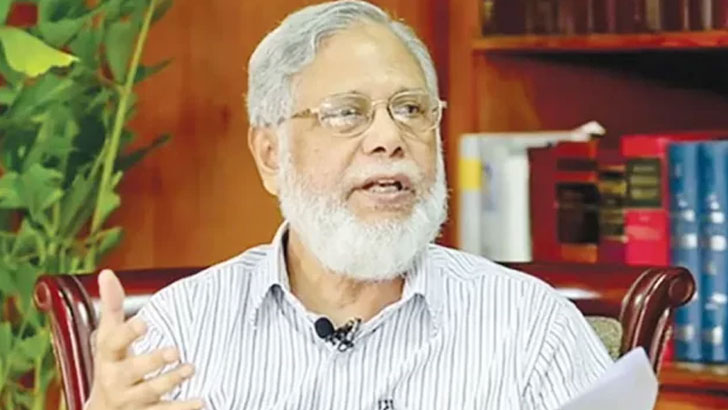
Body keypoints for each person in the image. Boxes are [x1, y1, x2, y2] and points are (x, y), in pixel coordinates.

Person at [85, 1, 613, 409]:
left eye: (411, 109)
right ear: (271, 155)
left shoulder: (530, 328)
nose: (389, 138)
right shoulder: (179, 330)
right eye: (346, 113)